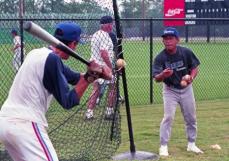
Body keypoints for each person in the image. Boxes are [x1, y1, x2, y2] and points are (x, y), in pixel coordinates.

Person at [0, 22, 111, 161]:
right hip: (25, 123)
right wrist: (90, 77)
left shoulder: (37, 54)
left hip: (5, 122)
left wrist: (98, 72)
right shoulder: (52, 60)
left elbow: (76, 78)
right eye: (76, 44)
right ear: (72, 44)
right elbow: (68, 101)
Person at [152, 27, 203, 157]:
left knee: (191, 117)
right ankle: (163, 146)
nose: (168, 41)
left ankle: (191, 144)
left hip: (186, 90)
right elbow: (156, 79)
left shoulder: (185, 52)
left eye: (171, 38)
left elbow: (195, 67)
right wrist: (163, 74)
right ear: (163, 41)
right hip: (170, 90)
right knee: (168, 117)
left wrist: (191, 77)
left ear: (177, 40)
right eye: (165, 38)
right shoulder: (160, 58)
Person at [85, 16, 116, 120]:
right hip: (103, 67)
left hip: (94, 65)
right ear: (106, 24)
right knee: (113, 87)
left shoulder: (96, 34)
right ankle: (108, 112)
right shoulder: (104, 36)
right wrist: (111, 67)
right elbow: (104, 54)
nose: (112, 26)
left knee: (96, 90)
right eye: (111, 24)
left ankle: (89, 113)